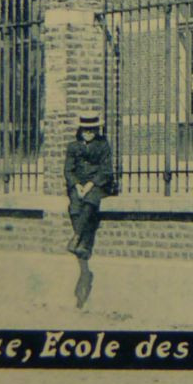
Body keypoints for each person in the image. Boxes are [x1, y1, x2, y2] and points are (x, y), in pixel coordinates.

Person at [65, 113, 117, 308]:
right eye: (85, 130)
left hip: (97, 185)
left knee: (90, 202)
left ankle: (77, 236)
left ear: (97, 130)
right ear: (80, 131)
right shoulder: (73, 147)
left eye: (92, 130)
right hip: (78, 185)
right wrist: (77, 185)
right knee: (75, 207)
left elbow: (106, 170)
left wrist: (91, 184)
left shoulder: (103, 146)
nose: (88, 134)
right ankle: (83, 245)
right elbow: (68, 170)